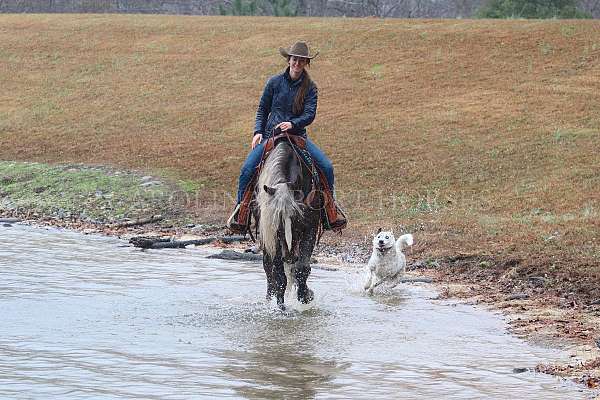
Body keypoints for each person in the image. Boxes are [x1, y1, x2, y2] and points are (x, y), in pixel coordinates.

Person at [227, 41, 347, 233]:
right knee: (247, 168)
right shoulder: (274, 83)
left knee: (327, 167)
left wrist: (293, 124)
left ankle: (330, 212)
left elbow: (310, 114)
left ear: (306, 63)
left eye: (301, 61)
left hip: (297, 137)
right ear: (288, 60)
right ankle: (241, 211)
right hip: (271, 137)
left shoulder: (310, 88)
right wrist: (257, 131)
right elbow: (262, 109)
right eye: (294, 59)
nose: (297, 63)